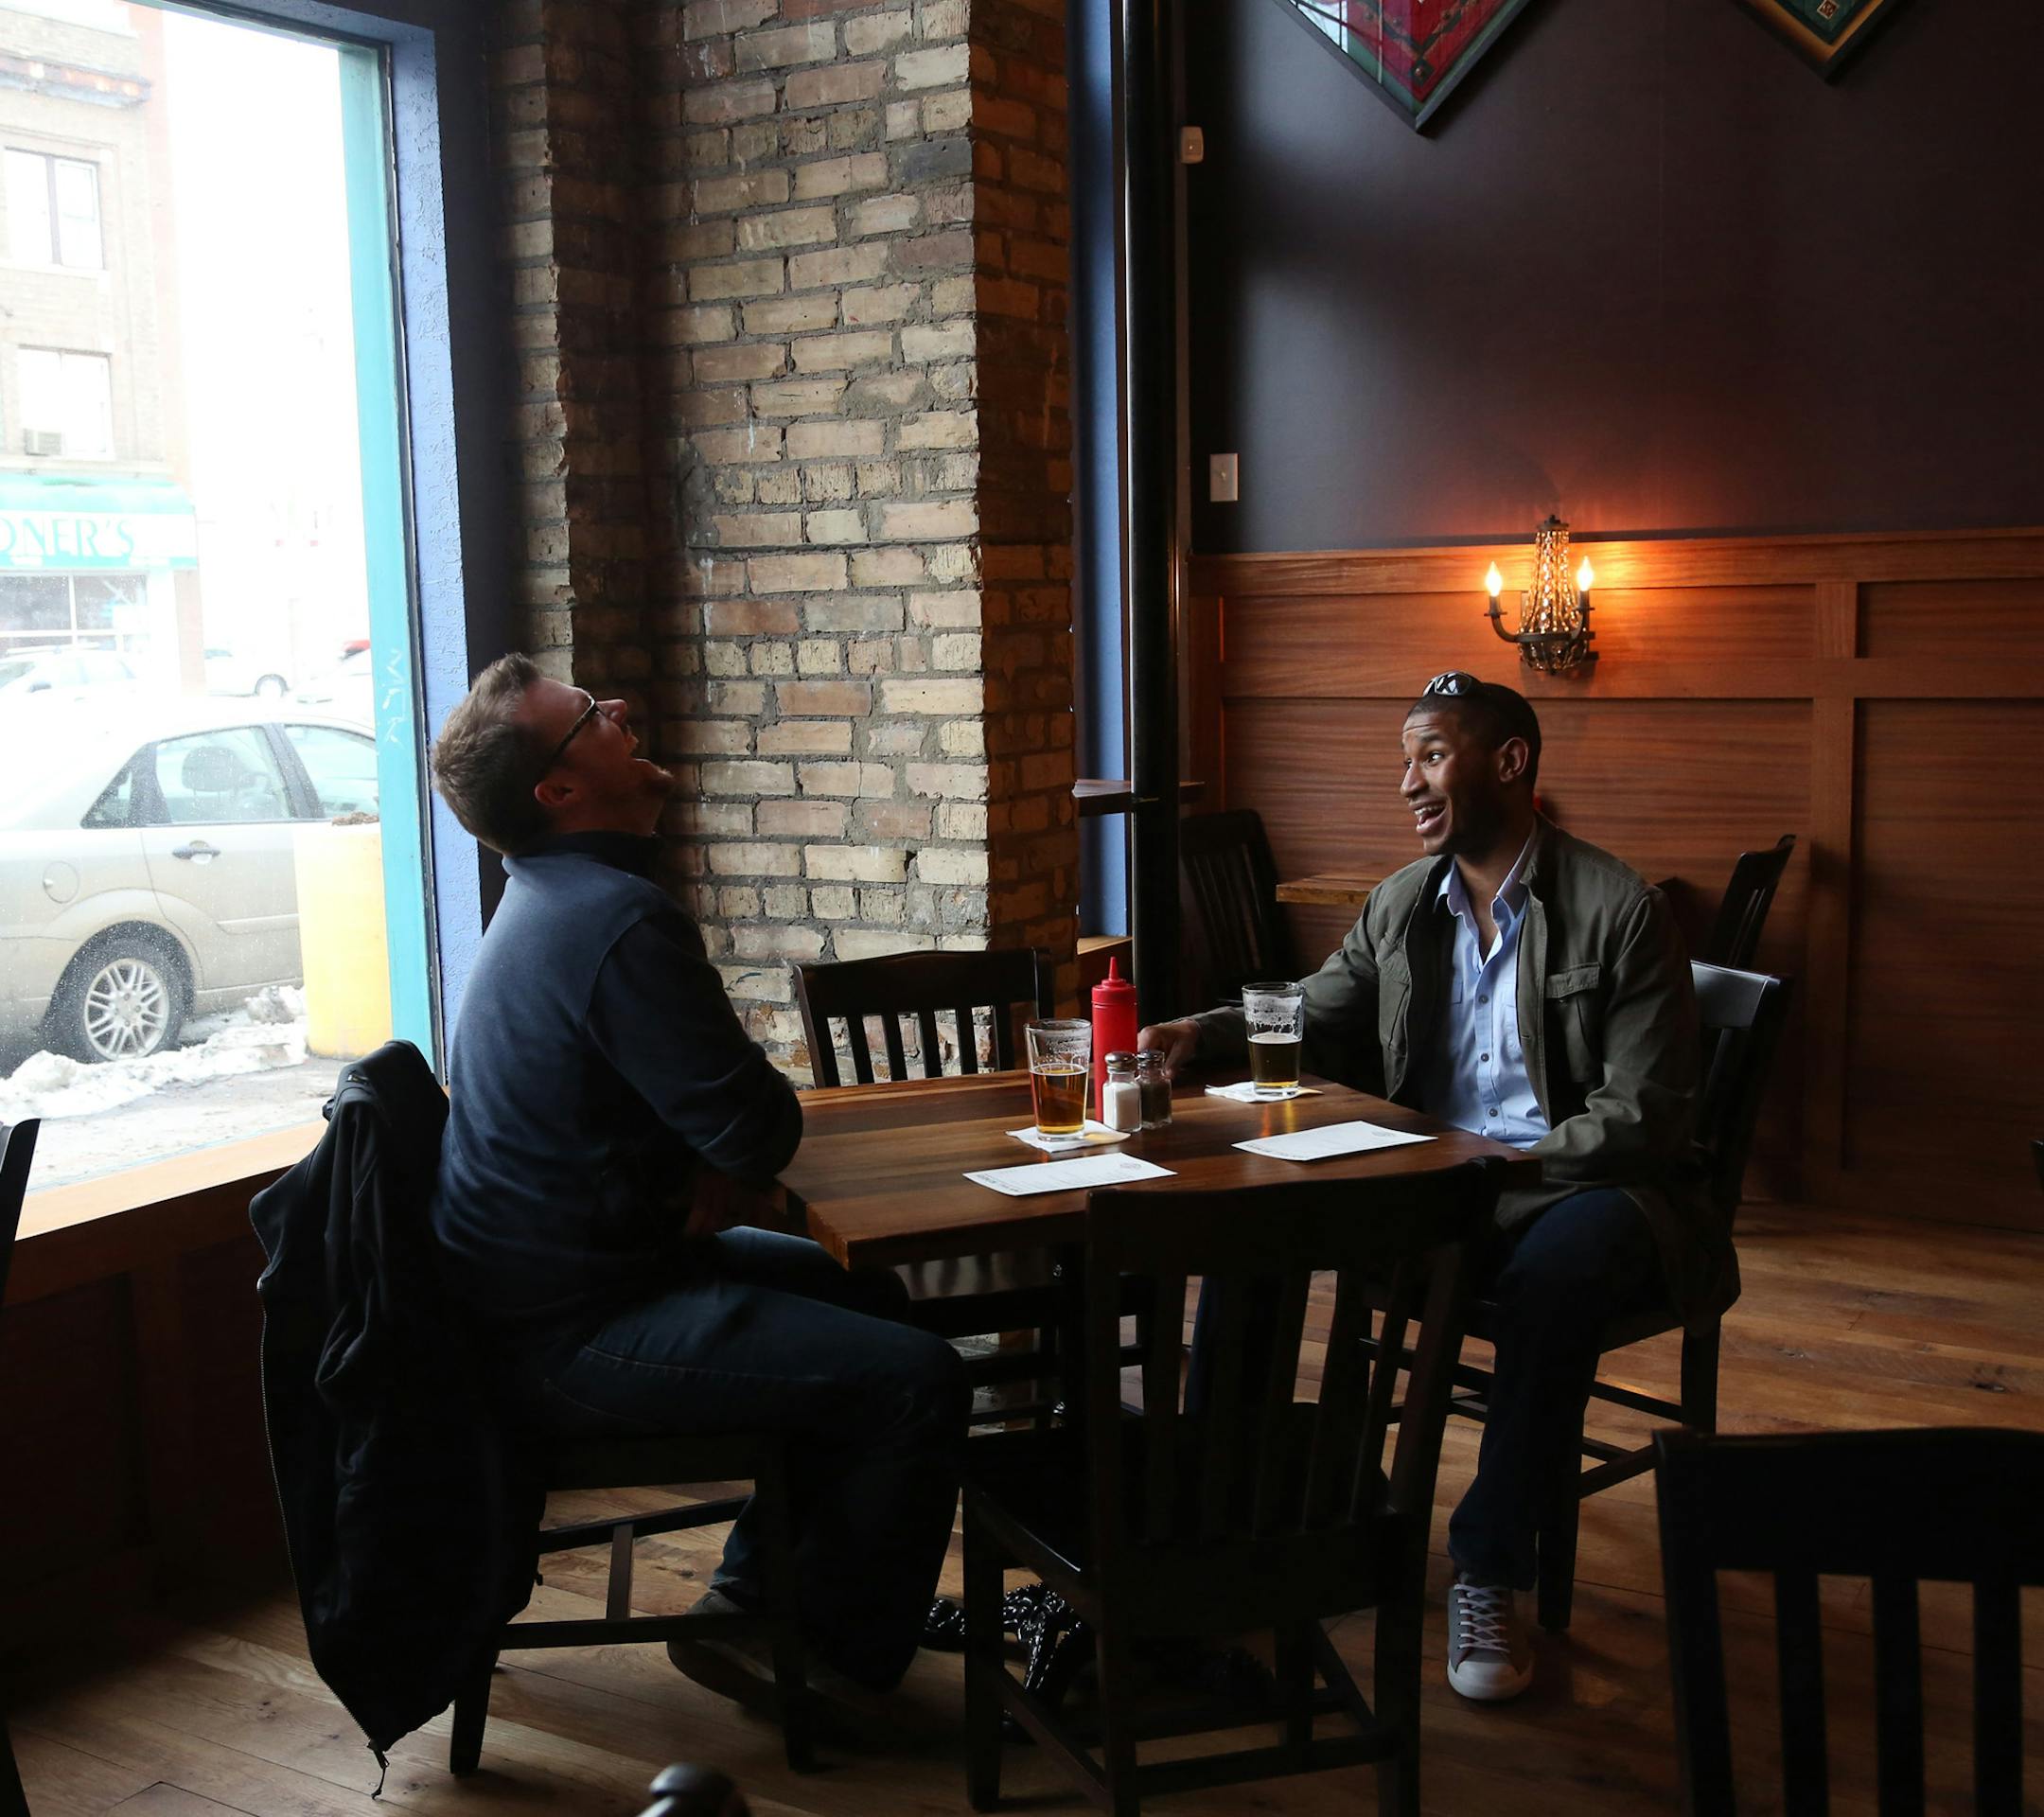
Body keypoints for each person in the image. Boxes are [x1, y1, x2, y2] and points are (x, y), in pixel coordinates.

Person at [1141, 671, 1712, 1703]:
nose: (1408, 782)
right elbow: (1318, 1003)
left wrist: (1507, 1162)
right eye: (1404, 760)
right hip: (1434, 1180)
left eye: (1431, 755)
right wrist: (1201, 1032)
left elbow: (1647, 1116)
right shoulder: (1404, 903)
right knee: (1244, 1229)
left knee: (1557, 1279)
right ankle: (1225, 1525)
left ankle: (1489, 1569)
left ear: (1510, 762)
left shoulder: (1622, 910)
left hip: (1576, 1187)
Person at [427, 653, 968, 1714]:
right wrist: (722, 1150)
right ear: (561, 791)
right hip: (567, 1331)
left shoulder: (552, 896)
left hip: (579, 1282)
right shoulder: (616, 921)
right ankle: (825, 1665)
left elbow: (712, 1127)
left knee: (869, 1296)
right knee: (919, 1380)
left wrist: (710, 1153)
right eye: (589, 714)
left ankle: (754, 1604)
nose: (618, 705)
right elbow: (758, 1125)